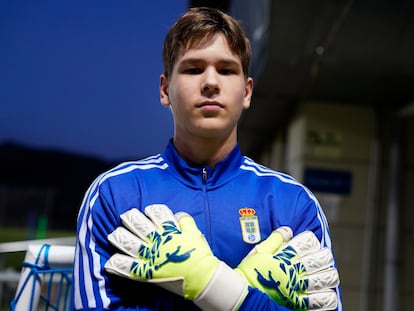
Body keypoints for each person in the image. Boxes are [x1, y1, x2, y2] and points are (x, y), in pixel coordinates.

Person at [73, 6, 342, 311]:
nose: (211, 82)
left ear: (247, 92)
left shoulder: (293, 204)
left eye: (226, 70)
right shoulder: (115, 194)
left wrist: (217, 287)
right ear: (165, 90)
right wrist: (239, 294)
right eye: (193, 69)